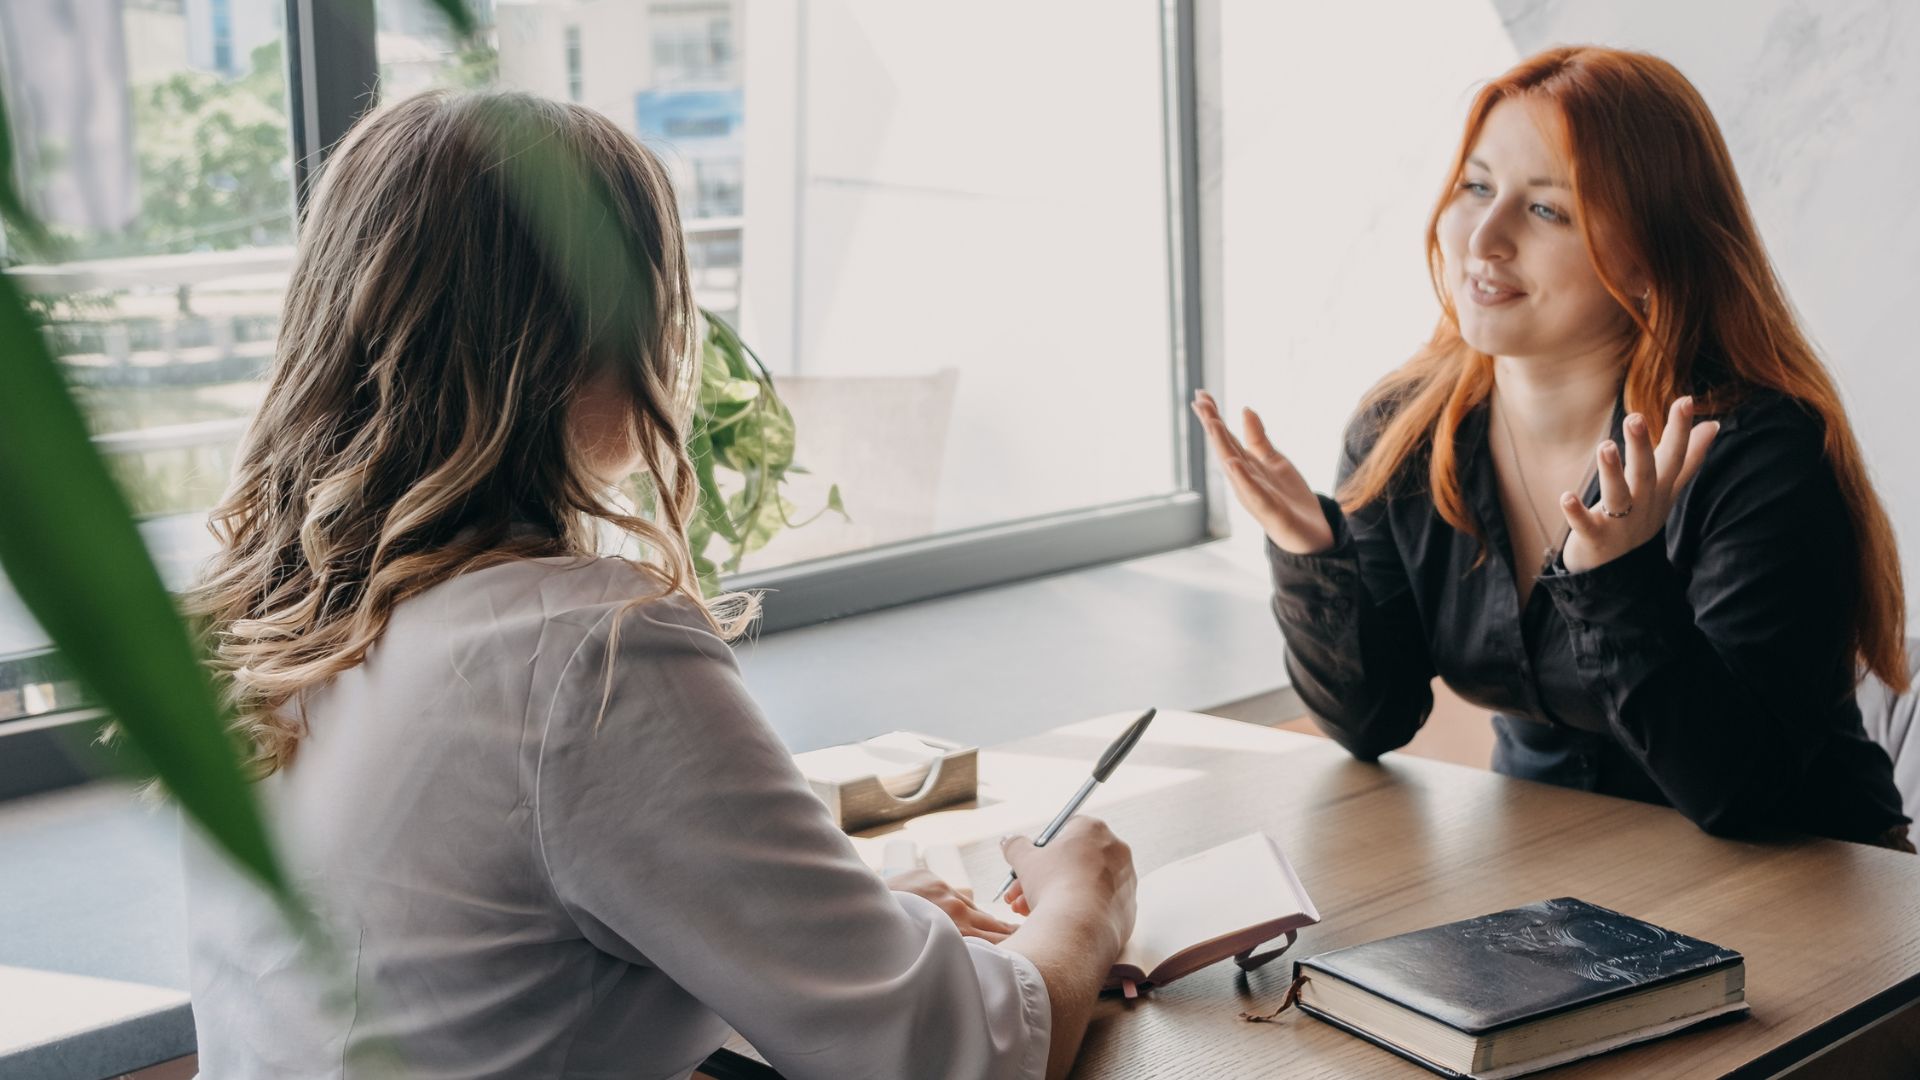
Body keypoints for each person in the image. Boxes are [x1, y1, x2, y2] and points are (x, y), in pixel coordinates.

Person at [179, 90, 1136, 1080]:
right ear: (580, 335)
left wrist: (832, 949)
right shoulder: (583, 650)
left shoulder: (271, 626)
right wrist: (1085, 905)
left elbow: (490, 965)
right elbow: (959, 1057)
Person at [1194, 46, 1912, 850]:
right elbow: (1374, 720)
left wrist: (1619, 582)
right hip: (1558, 880)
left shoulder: (1756, 455)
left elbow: (1743, 792)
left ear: (1648, 258)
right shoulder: (1403, 431)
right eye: (1476, 187)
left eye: (1547, 210)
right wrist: (1311, 552)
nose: (1484, 237)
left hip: (1814, 884)